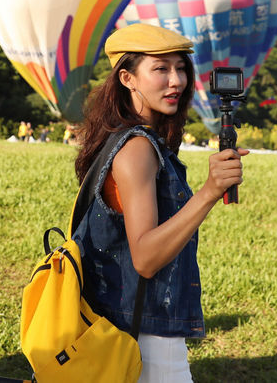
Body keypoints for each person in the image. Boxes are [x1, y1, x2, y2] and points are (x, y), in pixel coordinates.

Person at [73, 24, 245, 382]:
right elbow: (146, 258)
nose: (176, 81)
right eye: (161, 69)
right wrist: (210, 192)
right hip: (146, 338)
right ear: (127, 78)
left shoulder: (123, 138)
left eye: (181, 68)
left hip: (126, 325)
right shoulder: (136, 149)